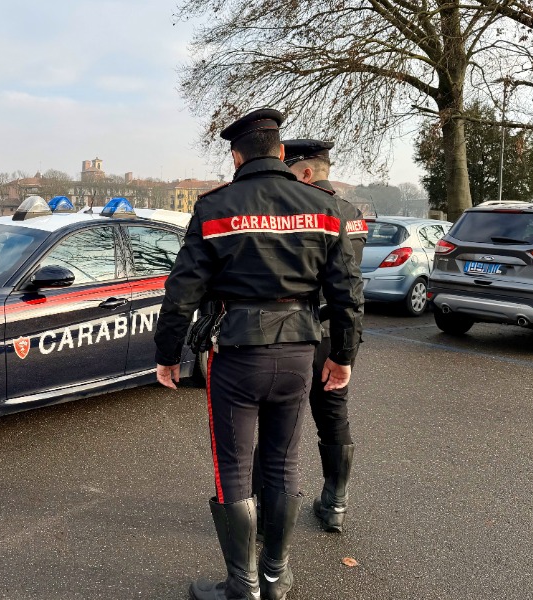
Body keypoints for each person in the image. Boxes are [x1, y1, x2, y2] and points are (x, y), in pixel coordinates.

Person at [154, 109, 363, 600]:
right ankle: (276, 576)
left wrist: (168, 354)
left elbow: (181, 291)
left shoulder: (214, 207)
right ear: (283, 154)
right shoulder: (324, 206)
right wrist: (345, 354)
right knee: (283, 462)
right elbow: (347, 291)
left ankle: (242, 585)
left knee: (234, 465)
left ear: (235, 156)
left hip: (238, 354)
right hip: (300, 352)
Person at [281, 139, 367, 532]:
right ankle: (335, 502)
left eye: (288, 172)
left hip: (296, 327)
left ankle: (273, 508)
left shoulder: (297, 210)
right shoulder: (351, 213)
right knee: (333, 414)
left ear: (306, 173)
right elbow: (351, 281)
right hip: (336, 332)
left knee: (281, 416)